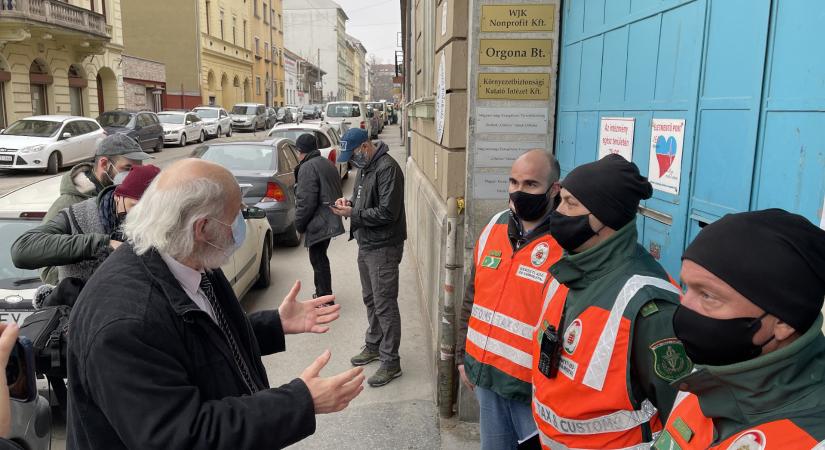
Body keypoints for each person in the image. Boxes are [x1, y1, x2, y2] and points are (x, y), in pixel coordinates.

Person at [66, 159, 365, 449]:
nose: (241, 222)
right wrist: (301, 402)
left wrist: (273, 324)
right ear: (202, 227)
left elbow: (200, 340)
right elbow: (184, 436)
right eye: (236, 214)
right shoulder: (125, 323)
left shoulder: (189, 259)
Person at [531, 154, 688, 449]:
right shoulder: (564, 271)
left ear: (606, 218)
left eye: (570, 204)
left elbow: (682, 415)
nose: (558, 212)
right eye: (560, 200)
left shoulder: (650, 306)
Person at [653, 209, 825, 449]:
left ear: (783, 322)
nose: (684, 306)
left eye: (707, 295)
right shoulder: (705, 376)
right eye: (686, 287)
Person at [454, 150, 564, 450]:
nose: (519, 191)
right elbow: (471, 298)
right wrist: (462, 357)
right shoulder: (494, 227)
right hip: (486, 379)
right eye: (513, 182)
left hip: (533, 390)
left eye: (531, 184)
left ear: (554, 190)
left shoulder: (567, 244)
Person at [332, 128, 406, 387]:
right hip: (367, 243)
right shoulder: (366, 167)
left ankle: (390, 361)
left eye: (353, 155)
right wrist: (348, 203)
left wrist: (353, 214)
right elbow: (362, 199)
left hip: (384, 246)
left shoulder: (388, 168)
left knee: (385, 304)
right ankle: (374, 344)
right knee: (371, 299)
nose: (352, 162)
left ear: (365, 147)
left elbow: (387, 212)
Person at [11, 164, 161, 283]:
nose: (141, 216)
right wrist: (102, 244)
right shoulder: (78, 216)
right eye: (134, 206)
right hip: (77, 316)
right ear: (118, 197)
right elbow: (22, 250)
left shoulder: (165, 224)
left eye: (149, 210)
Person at [39, 133, 152, 284]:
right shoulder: (69, 204)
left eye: (137, 171)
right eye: (127, 169)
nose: (132, 177)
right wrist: (86, 279)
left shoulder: (128, 199)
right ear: (104, 164)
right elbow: (45, 268)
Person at [293, 133, 345, 301]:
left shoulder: (307, 167)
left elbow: (305, 202)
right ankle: (322, 294)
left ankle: (325, 297)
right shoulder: (325, 163)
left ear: (301, 151)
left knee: (318, 259)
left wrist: (299, 225)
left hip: (320, 221)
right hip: (329, 218)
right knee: (320, 257)